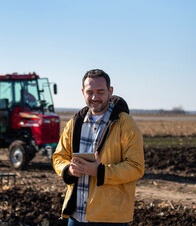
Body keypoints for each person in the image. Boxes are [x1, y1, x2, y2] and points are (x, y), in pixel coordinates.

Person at [53, 69, 145, 225]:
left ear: (110, 91)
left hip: (110, 218)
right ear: (83, 92)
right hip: (76, 216)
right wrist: (68, 169)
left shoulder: (125, 124)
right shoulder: (75, 123)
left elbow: (136, 167)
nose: (95, 97)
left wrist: (100, 172)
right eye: (90, 92)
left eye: (100, 92)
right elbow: (59, 157)